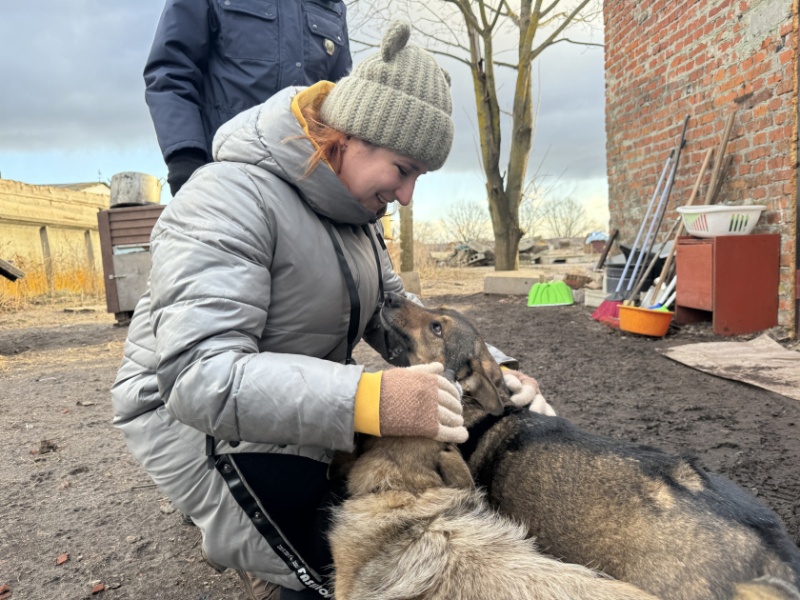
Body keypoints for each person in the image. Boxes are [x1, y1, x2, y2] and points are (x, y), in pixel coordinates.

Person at [113, 21, 545, 600]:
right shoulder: (227, 198)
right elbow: (197, 378)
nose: (408, 195)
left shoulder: (355, 215)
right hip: (201, 429)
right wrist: (370, 398)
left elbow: (397, 313)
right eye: (404, 169)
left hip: (292, 403)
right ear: (351, 135)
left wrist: (493, 371)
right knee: (355, 570)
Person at [144, 0, 353, 197]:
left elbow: (339, 101)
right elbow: (171, 71)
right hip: (224, 179)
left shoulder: (333, 6)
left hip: (306, 187)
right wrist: (185, 159)